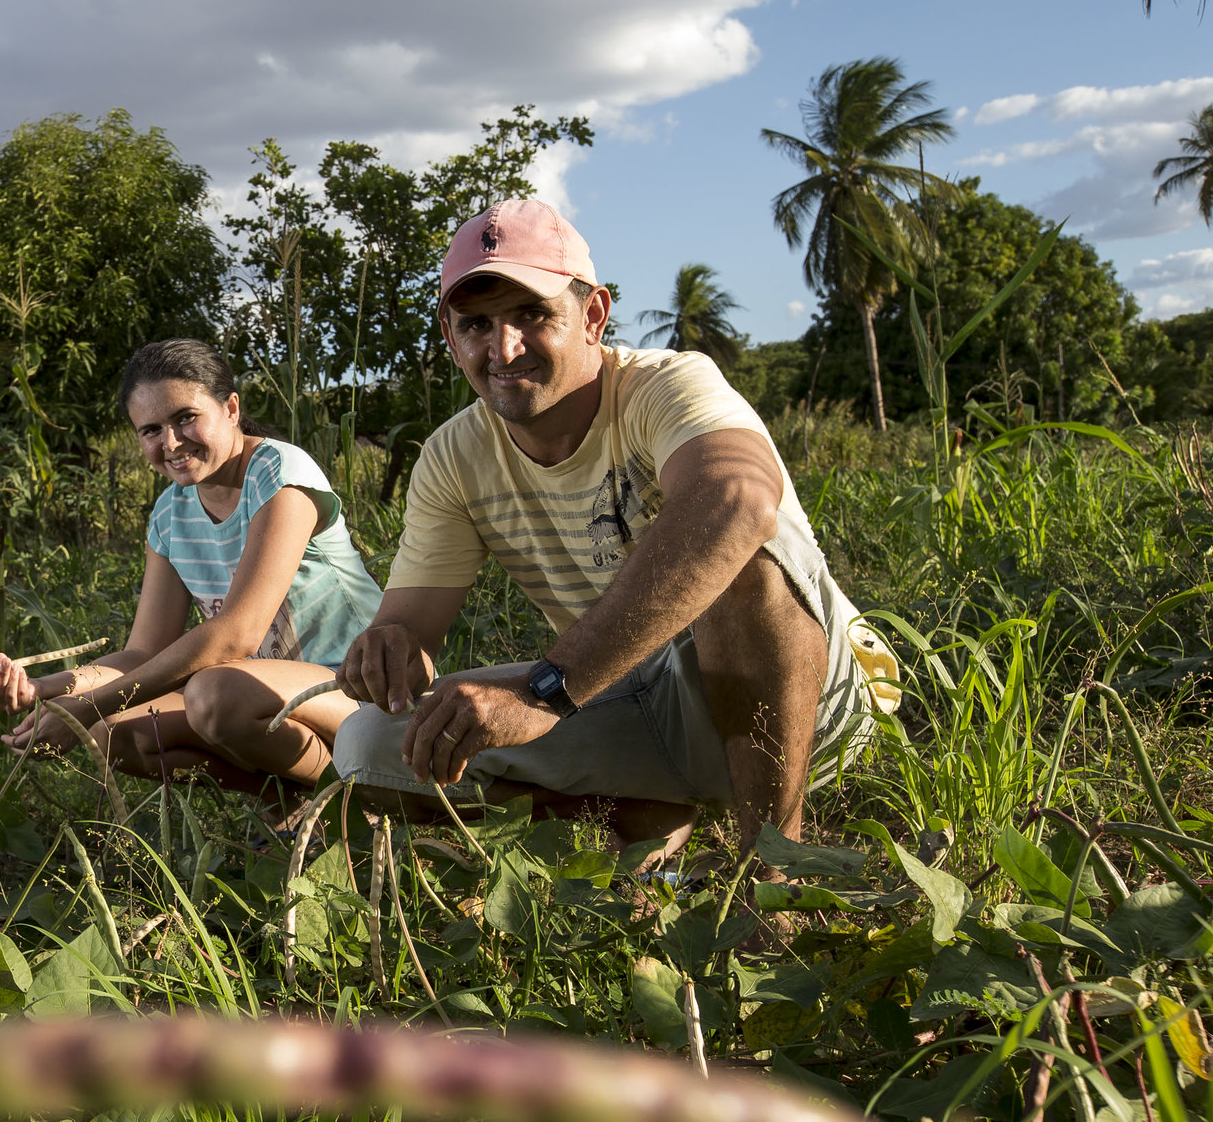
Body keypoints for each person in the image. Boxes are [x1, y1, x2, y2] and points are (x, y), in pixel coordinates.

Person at [332, 199, 895, 858]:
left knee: (739, 553)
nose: (503, 347)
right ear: (450, 334)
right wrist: (388, 648)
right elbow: (409, 631)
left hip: (813, 705)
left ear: (593, 315)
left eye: (531, 314)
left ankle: (774, 864)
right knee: (369, 744)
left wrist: (546, 688)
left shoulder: (666, 385)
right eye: (477, 324)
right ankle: (641, 811)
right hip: (643, 701)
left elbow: (737, 498)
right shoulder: (455, 455)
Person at [0, 339, 384, 819]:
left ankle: (366, 809)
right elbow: (143, 654)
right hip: (274, 701)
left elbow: (236, 635)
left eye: (186, 418)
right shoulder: (170, 515)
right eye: (151, 429)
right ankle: (290, 808)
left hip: (363, 693)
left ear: (231, 408)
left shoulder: (279, 472)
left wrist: (90, 704)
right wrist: (52, 690)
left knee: (215, 694)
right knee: (114, 729)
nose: (170, 443)